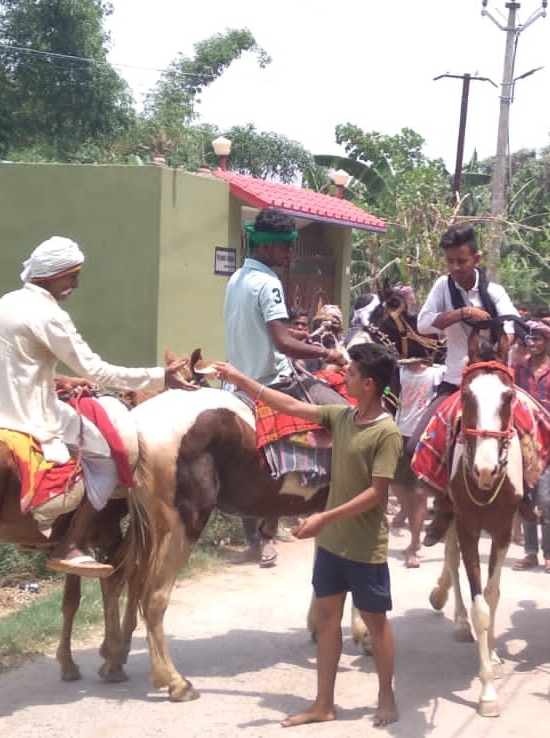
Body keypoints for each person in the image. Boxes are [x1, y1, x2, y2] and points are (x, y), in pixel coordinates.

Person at [212, 343, 403, 729]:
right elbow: (292, 407)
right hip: (332, 545)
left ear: (368, 384)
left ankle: (386, 695)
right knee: (329, 622)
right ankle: (323, 703)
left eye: (349, 373)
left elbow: (376, 494)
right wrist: (240, 381)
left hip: (364, 548)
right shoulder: (342, 417)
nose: (342, 376)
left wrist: (323, 517)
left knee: (376, 623)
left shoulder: (387, 434)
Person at [0, 236, 196, 577]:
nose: (75, 284)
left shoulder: (7, 302)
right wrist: (159, 378)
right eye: (71, 276)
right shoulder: (50, 315)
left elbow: (19, 363)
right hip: (29, 415)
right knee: (108, 456)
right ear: (52, 274)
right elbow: (96, 370)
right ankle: (70, 543)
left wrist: (60, 380)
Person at [224, 207, 345, 566]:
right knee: (348, 418)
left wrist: (291, 335)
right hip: (273, 381)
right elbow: (283, 345)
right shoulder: (270, 283)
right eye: (285, 249)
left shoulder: (237, 278)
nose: (289, 254)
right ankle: (332, 501)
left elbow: (263, 331)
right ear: (267, 248)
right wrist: (328, 353)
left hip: (238, 381)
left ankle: (263, 533)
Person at [416, 224, 519, 543]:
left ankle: (523, 499)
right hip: (456, 381)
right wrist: (459, 313)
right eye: (450, 262)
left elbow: (514, 325)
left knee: (533, 432)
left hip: (496, 381)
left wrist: (502, 337)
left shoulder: (495, 292)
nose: (456, 268)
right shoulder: (442, 288)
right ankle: (444, 505)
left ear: (476, 258)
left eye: (461, 261)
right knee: (415, 443)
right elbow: (422, 324)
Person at [513, 321, 550, 574]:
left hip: (549, 441)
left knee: (546, 500)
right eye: (530, 339)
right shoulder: (517, 370)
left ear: (548, 342)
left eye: (538, 339)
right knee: (526, 497)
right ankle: (530, 553)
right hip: (523, 441)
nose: (533, 343)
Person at [391, 358, 445, 567]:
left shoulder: (437, 373)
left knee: (419, 494)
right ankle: (405, 508)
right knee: (395, 484)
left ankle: (413, 546)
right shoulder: (400, 372)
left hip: (424, 437)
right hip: (400, 432)